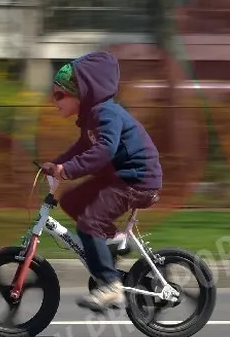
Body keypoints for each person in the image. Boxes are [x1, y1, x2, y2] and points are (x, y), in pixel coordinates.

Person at [41, 51, 162, 313]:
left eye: (60, 95)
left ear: (81, 93)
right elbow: (82, 147)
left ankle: (110, 285)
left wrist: (68, 170)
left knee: (89, 223)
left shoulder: (106, 113)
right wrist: (56, 164)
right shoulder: (91, 118)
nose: (54, 101)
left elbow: (103, 151)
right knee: (71, 201)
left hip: (137, 180)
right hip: (119, 178)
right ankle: (111, 242)